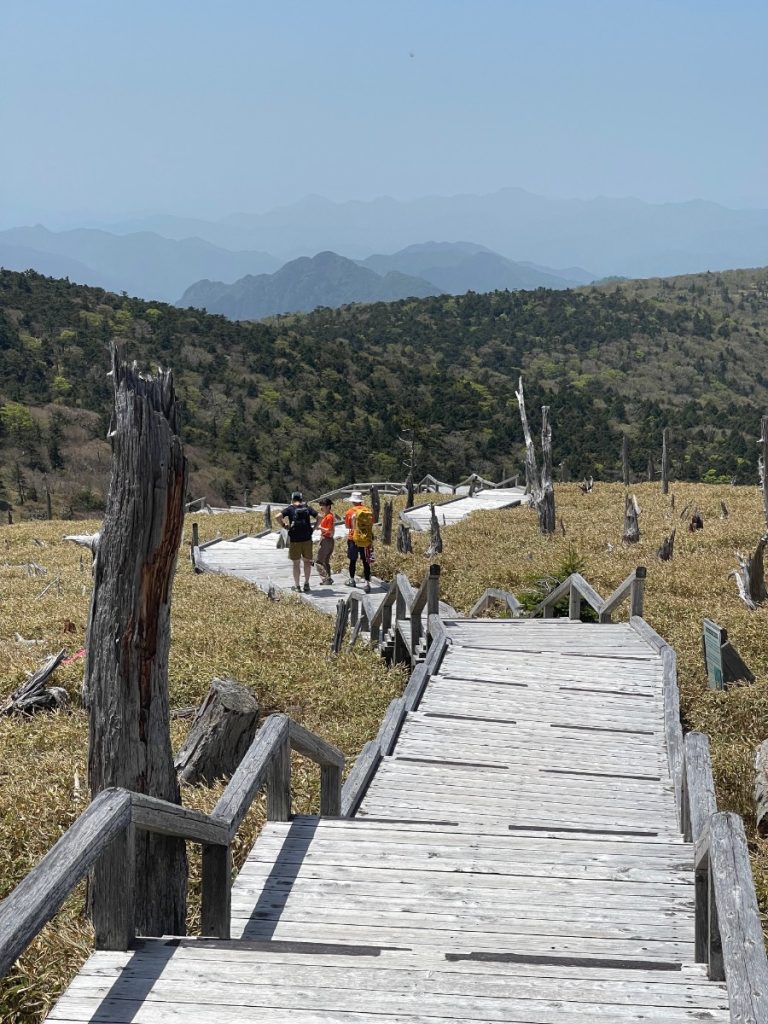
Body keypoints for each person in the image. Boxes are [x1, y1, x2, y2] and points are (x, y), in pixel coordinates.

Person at [279, 491, 318, 592]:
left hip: (295, 540)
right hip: (307, 539)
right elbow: (320, 517)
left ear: (292, 499)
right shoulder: (307, 508)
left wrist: (284, 525)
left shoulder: (290, 508)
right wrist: (313, 529)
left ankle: (297, 586)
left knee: (296, 564)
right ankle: (307, 584)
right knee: (307, 562)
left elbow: (277, 516)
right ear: (301, 499)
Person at [344, 490, 374, 592]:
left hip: (353, 538)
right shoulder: (367, 511)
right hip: (365, 538)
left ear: (353, 501)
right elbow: (371, 524)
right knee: (366, 561)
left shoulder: (349, 512)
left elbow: (347, 526)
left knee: (353, 560)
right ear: (361, 501)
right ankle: (367, 583)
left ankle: (352, 580)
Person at [314, 498, 335, 585]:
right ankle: (328, 579)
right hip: (328, 540)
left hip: (326, 539)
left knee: (318, 562)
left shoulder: (329, 517)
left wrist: (319, 527)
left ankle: (325, 578)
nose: (321, 507)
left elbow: (329, 530)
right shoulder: (328, 516)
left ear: (328, 506)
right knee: (325, 561)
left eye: (323, 506)